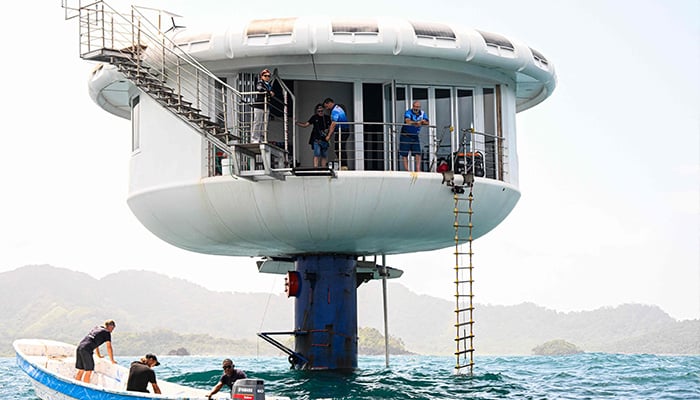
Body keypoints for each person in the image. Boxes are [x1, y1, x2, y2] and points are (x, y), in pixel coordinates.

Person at [75, 319, 116, 383]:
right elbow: (109, 347)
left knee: (81, 370)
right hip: (87, 350)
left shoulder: (97, 328)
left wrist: (98, 355)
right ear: (111, 326)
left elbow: (95, 343)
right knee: (89, 371)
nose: (112, 331)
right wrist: (112, 360)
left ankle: (76, 387)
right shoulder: (107, 332)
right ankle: (86, 388)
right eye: (113, 329)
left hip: (80, 347)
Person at [400, 101, 429, 172]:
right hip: (405, 135)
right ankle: (407, 170)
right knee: (405, 153)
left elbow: (427, 122)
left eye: (417, 107)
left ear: (419, 107)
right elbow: (407, 121)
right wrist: (416, 123)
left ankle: (418, 169)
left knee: (418, 153)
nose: (416, 108)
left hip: (415, 136)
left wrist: (422, 122)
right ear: (413, 106)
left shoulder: (422, 113)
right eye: (415, 106)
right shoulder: (408, 112)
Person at [323, 98, 350, 169]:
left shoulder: (335, 110)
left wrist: (328, 135)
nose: (327, 108)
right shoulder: (338, 108)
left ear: (329, 103)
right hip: (342, 130)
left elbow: (333, 123)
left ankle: (344, 165)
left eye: (326, 106)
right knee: (338, 148)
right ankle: (341, 163)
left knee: (340, 148)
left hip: (342, 130)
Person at [251, 68, 275, 143]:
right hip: (259, 106)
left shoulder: (269, 84)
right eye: (265, 76)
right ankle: (254, 138)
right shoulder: (260, 83)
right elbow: (259, 88)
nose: (267, 77)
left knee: (264, 123)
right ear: (262, 76)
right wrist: (269, 92)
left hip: (266, 106)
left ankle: (261, 138)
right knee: (258, 122)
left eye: (268, 76)